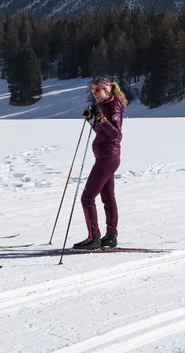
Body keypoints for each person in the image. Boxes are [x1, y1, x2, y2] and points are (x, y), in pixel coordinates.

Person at [74, 78, 128, 250]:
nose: (94, 94)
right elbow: (101, 131)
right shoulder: (104, 107)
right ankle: (111, 235)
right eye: (93, 91)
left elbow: (116, 135)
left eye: (97, 90)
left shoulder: (113, 107)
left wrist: (101, 118)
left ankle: (94, 237)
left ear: (107, 90)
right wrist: (92, 119)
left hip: (108, 158)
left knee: (87, 197)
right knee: (107, 197)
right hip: (105, 157)